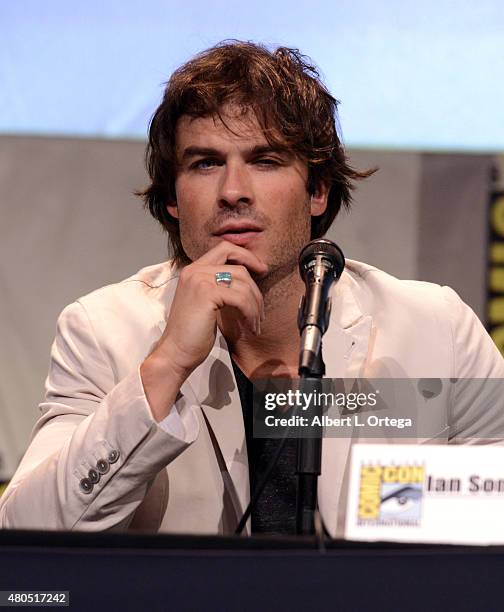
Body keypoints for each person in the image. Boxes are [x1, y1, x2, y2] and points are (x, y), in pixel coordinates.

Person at [0, 41, 503, 537]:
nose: (233, 191)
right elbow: (27, 535)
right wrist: (167, 365)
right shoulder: (103, 332)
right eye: (205, 163)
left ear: (317, 190)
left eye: (265, 160)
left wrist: (393, 511)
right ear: (173, 197)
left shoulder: (435, 327)